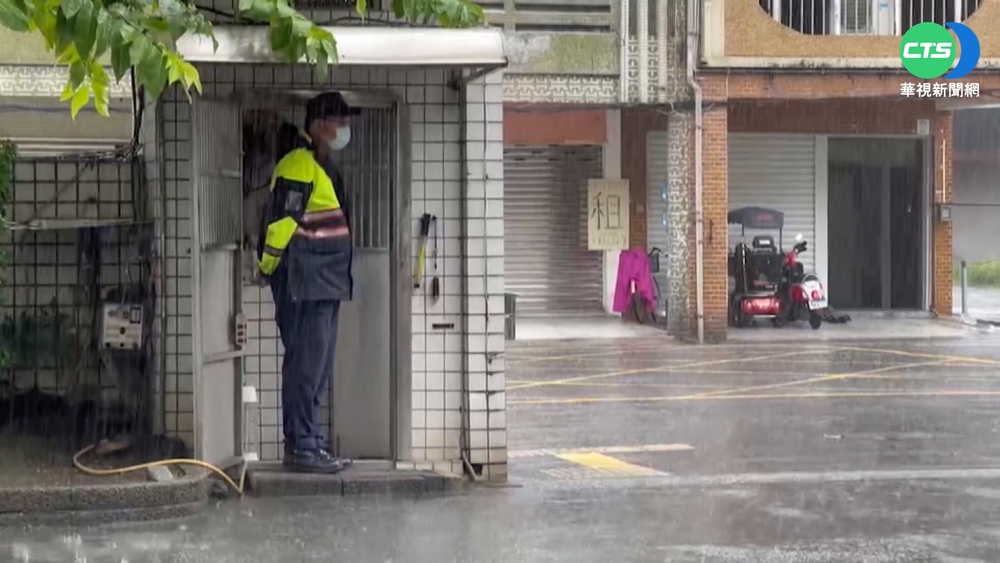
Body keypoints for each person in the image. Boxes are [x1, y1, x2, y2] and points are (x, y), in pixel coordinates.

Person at [257, 92, 359, 473]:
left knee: (315, 368)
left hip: (324, 282)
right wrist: (267, 267)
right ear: (317, 125)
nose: (346, 129)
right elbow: (282, 221)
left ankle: (310, 443)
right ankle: (301, 446)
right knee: (306, 367)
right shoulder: (299, 164)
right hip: (305, 281)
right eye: (340, 121)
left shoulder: (321, 165)